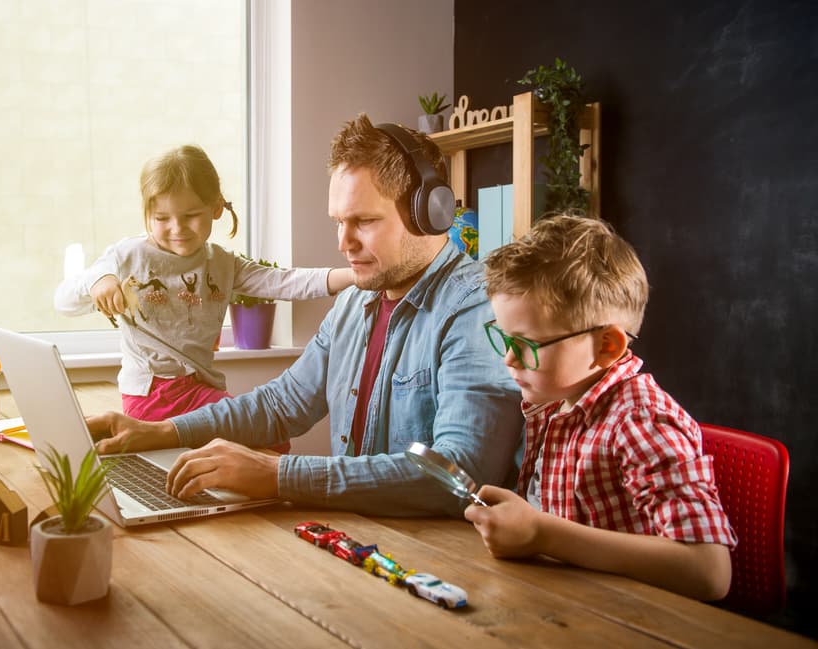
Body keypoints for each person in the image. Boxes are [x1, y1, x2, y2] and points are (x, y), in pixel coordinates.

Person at [86, 114, 524, 517]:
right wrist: (159, 432)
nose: (343, 242)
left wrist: (278, 475)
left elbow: (458, 473)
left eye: (364, 221)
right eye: (338, 221)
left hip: (441, 560)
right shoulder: (357, 301)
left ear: (430, 213)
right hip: (359, 537)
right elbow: (282, 405)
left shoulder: (477, 307)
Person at [464, 214, 736, 600]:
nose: (509, 359)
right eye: (504, 338)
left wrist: (541, 533)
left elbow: (709, 570)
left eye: (527, 344)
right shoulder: (556, 400)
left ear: (607, 346)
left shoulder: (640, 419)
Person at [55, 144, 354, 426]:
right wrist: (98, 280)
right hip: (150, 394)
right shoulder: (126, 257)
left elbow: (284, 282)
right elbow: (64, 301)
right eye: (161, 217)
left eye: (190, 215)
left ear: (216, 208)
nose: (177, 228)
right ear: (147, 214)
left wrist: (353, 276)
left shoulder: (222, 263)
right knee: (257, 436)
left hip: (200, 387)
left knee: (267, 437)